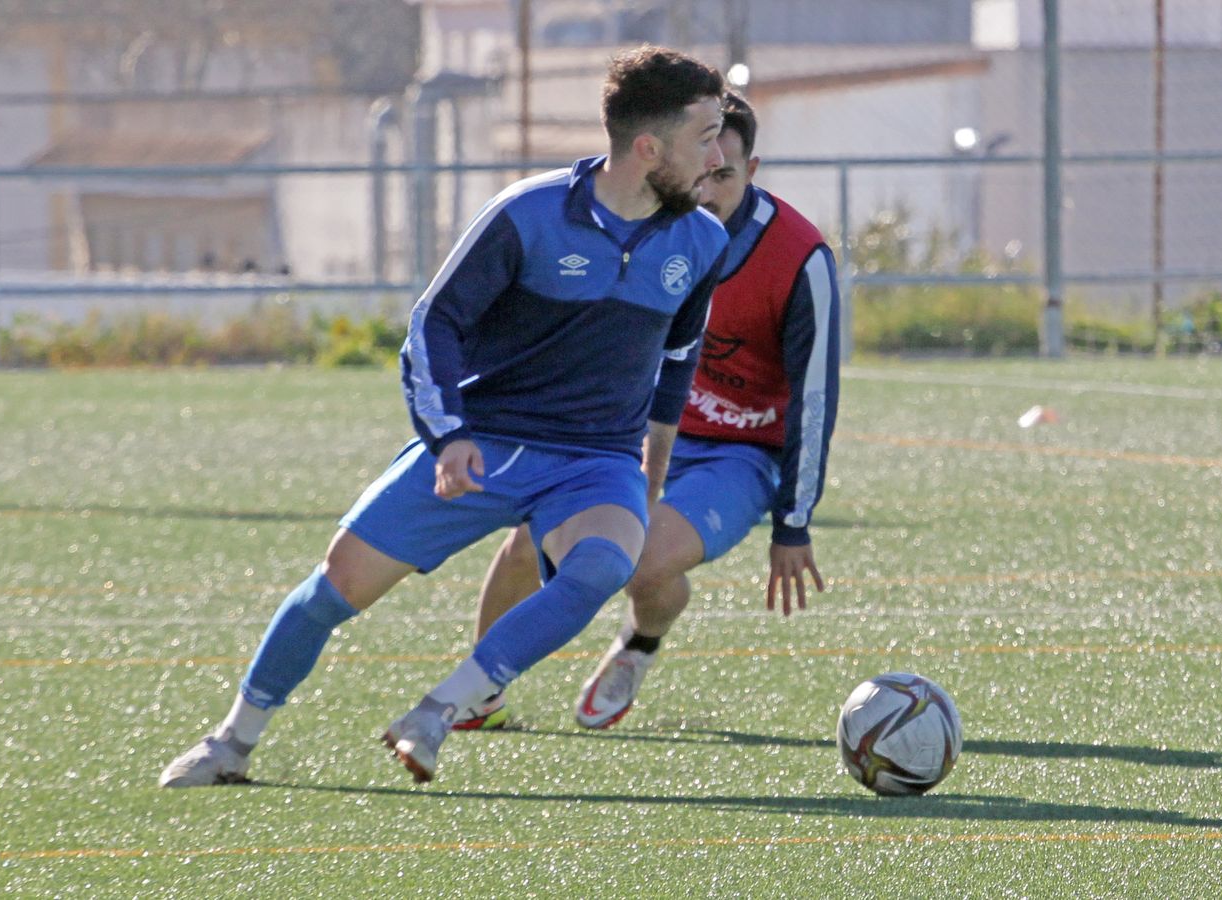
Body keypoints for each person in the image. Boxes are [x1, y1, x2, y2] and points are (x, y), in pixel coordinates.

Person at [159, 46, 729, 786]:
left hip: (596, 459)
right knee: (335, 589)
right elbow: (434, 326)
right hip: (483, 445)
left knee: (600, 566)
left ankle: (437, 712)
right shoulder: (528, 216)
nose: (718, 157)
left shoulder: (703, 241)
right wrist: (450, 435)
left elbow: (675, 367)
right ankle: (232, 741)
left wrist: (649, 476)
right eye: (706, 136)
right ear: (649, 147)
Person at [453, 92, 841, 733]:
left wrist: (793, 524)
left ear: (753, 169)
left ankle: (639, 643)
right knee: (527, 544)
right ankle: (478, 695)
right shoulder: (645, 226)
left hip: (740, 455)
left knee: (644, 563)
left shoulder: (800, 256)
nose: (710, 188)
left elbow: (815, 398)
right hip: (635, 431)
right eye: (703, 169)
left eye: (727, 175)